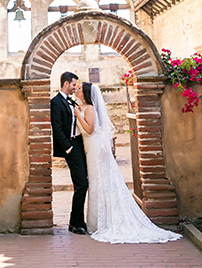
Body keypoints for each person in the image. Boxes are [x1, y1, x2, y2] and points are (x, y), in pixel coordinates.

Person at [74, 82, 182, 244]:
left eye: (80, 88)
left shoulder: (89, 108)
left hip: (95, 148)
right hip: (90, 148)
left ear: (87, 93)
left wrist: (77, 114)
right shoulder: (84, 106)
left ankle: (105, 221)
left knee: (100, 182)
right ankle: (98, 220)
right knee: (98, 182)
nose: (77, 89)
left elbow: (89, 129)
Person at [50, 71, 89, 234]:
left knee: (83, 182)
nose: (75, 88)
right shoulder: (56, 102)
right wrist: (69, 148)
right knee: (82, 184)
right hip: (71, 147)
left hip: (80, 145)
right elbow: (57, 128)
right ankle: (74, 223)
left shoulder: (72, 101)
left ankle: (80, 220)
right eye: (74, 84)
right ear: (66, 84)